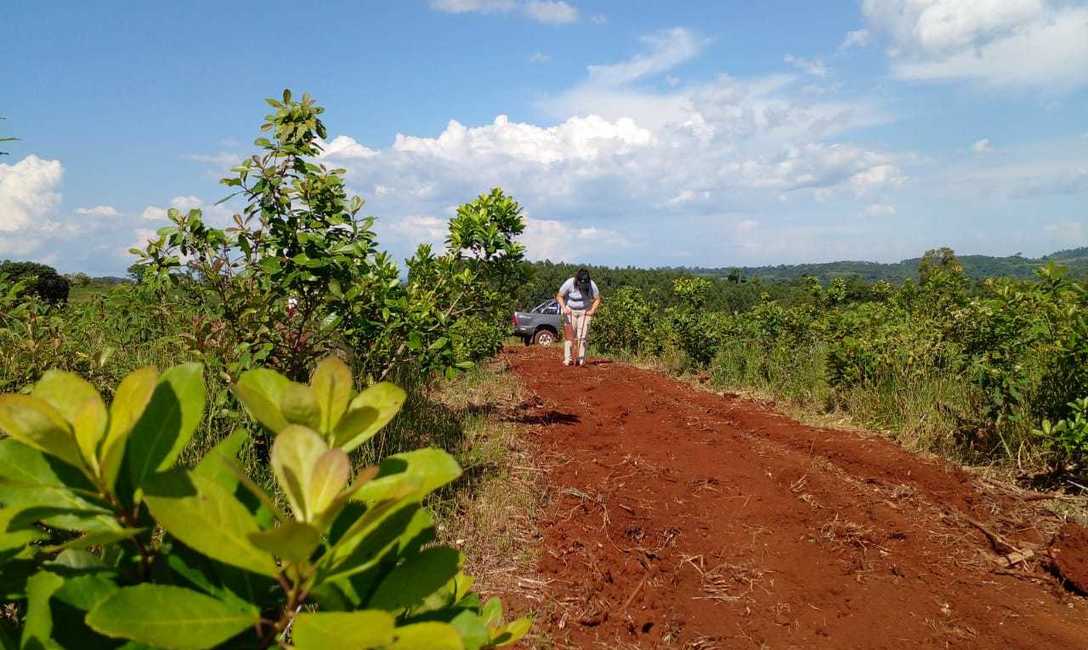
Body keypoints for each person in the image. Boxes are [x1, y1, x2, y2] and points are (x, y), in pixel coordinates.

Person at [556, 268, 601, 367]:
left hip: (585, 312)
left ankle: (581, 360)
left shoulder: (592, 285)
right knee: (569, 337)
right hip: (570, 311)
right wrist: (564, 308)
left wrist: (592, 311)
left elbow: (597, 299)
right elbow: (559, 296)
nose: (583, 286)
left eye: (585, 284)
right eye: (581, 284)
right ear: (577, 281)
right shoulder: (569, 283)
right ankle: (568, 359)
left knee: (582, 337)